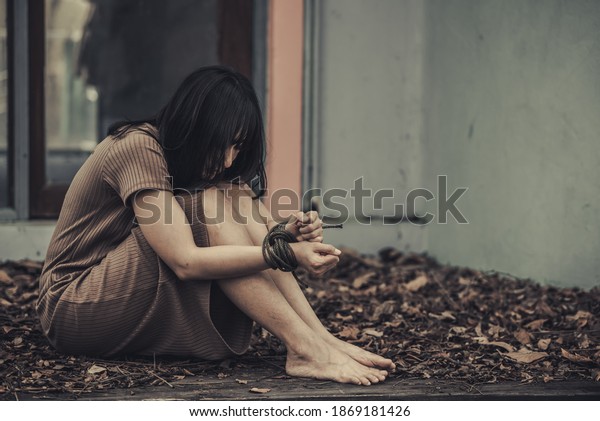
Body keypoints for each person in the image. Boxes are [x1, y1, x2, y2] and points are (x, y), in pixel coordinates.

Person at [36, 66, 395, 385]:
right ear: (193, 128)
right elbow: (186, 261)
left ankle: (318, 339)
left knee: (232, 193)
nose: (227, 159)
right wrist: (284, 252)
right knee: (210, 203)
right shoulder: (137, 148)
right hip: (74, 306)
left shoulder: (196, 166)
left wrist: (290, 233)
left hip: (113, 295)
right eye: (219, 145)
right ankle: (303, 346)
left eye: (237, 147)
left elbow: (264, 235)